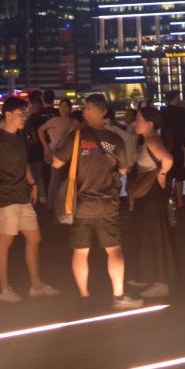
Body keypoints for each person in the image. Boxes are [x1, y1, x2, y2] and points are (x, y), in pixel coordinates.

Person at [50, 93, 141, 308]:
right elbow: (124, 168)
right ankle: (118, 296)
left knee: (80, 251)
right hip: (107, 203)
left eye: (88, 108)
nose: (85, 111)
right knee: (114, 249)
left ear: (101, 111)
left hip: (80, 205)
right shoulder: (114, 140)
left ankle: (84, 296)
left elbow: (55, 163)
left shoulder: (77, 138)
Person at [0, 96, 57, 302]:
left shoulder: (19, 137)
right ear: (7, 115)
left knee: (34, 237)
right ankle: (4, 290)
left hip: (23, 196)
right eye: (20, 114)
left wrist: (32, 183)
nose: (24, 117)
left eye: (25, 113)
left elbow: (23, 163)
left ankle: (36, 285)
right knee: (5, 242)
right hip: (6, 199)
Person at [125, 106, 176, 298]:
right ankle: (147, 275)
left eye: (139, 118)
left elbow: (168, 159)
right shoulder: (145, 140)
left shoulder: (152, 140)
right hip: (146, 193)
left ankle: (161, 281)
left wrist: (161, 174)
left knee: (156, 234)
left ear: (150, 123)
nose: (135, 122)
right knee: (146, 233)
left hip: (152, 193)